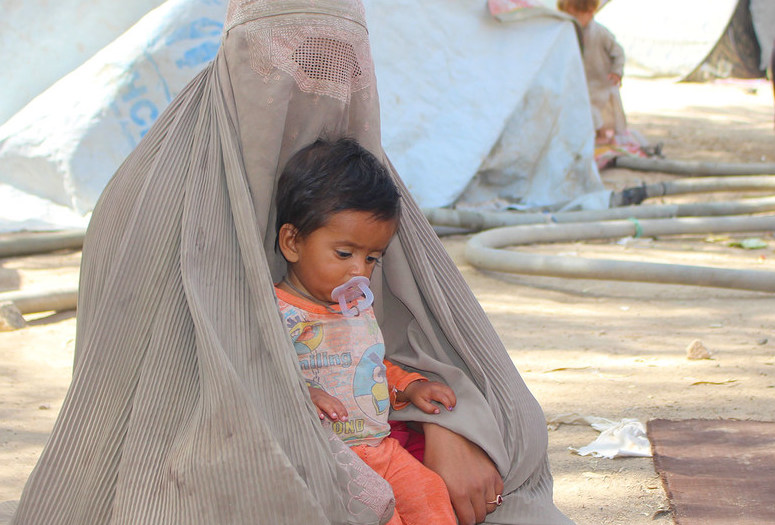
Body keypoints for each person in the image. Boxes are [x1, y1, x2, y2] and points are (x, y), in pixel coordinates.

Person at [9, 1, 572, 524]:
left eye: (339, 67)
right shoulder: (146, 197)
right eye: (293, 65)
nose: (316, 91)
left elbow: (429, 347)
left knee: (507, 431)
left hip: (367, 431)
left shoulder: (366, 198)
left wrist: (451, 426)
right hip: (204, 449)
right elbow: (141, 403)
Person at [273, 137, 457, 524]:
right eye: (344, 253)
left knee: (431, 495)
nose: (359, 270)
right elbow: (259, 373)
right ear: (292, 242)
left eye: (372, 257)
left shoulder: (358, 308)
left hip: (379, 448)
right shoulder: (275, 310)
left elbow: (369, 364)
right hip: (329, 459)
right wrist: (302, 393)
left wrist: (408, 385)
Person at [558, 0, 626, 145]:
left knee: (592, 109)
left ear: (589, 12)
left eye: (576, 15)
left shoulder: (601, 33)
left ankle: (601, 135)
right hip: (579, 81)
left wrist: (616, 71)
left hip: (599, 81)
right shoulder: (568, 31)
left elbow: (618, 53)